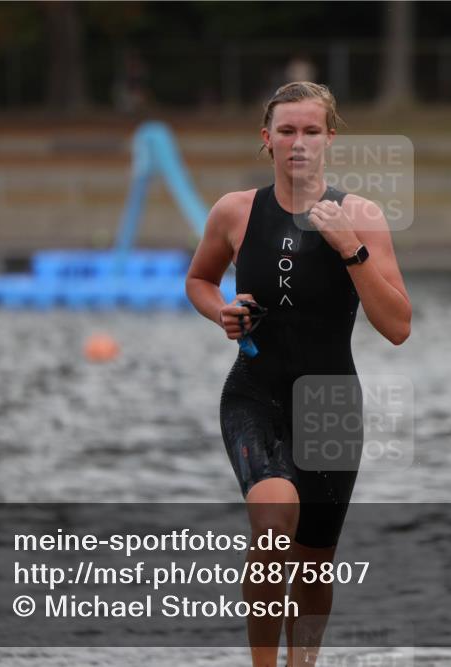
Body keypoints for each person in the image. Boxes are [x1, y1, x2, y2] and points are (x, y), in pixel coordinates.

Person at [186, 81, 411, 667]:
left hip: (332, 404)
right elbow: (200, 281)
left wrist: (350, 249)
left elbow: (398, 326)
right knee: (272, 523)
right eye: (286, 131)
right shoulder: (235, 211)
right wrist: (221, 312)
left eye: (311, 131)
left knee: (313, 561)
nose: (298, 143)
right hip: (254, 394)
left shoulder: (362, 215)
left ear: (330, 139)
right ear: (267, 140)